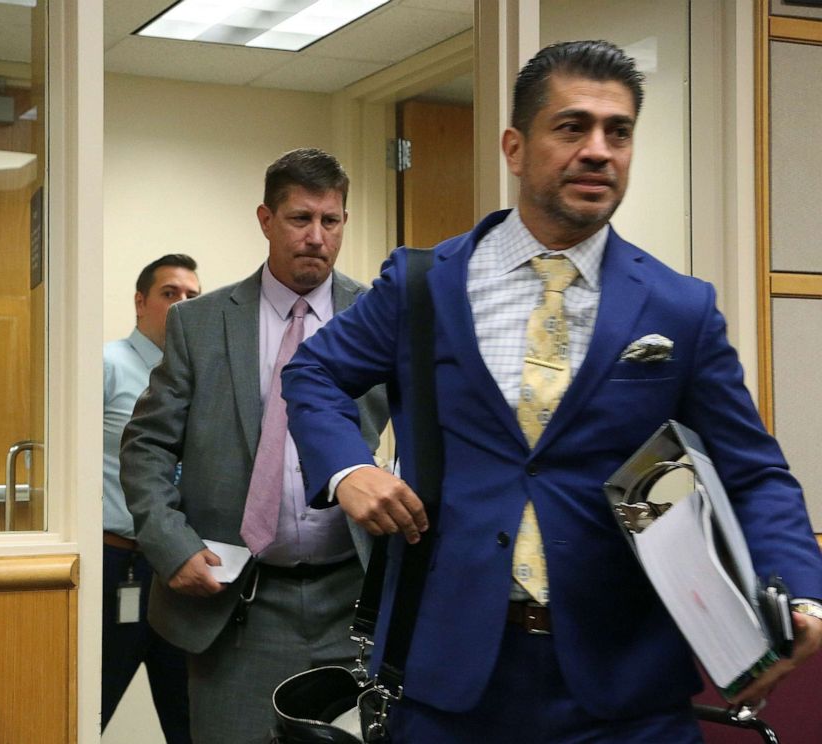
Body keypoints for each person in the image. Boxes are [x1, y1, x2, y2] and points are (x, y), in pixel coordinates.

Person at [281, 40, 822, 743]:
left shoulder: (678, 308)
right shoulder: (422, 284)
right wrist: (348, 468)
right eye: (572, 127)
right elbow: (312, 372)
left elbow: (753, 472)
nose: (598, 150)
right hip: (449, 678)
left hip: (626, 688)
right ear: (514, 146)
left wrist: (801, 592)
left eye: (617, 131)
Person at [120, 148, 388, 744]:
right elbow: (146, 447)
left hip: (351, 602)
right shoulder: (201, 322)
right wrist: (170, 543)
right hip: (236, 607)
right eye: (300, 219)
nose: (317, 237)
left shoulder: (376, 315)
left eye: (332, 221)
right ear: (266, 220)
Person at [102, 254, 200, 740]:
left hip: (176, 568)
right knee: (88, 708)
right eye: (170, 294)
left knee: (189, 718)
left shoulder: (200, 378)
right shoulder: (107, 364)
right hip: (116, 564)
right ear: (140, 303)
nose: (182, 305)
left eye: (192, 297)